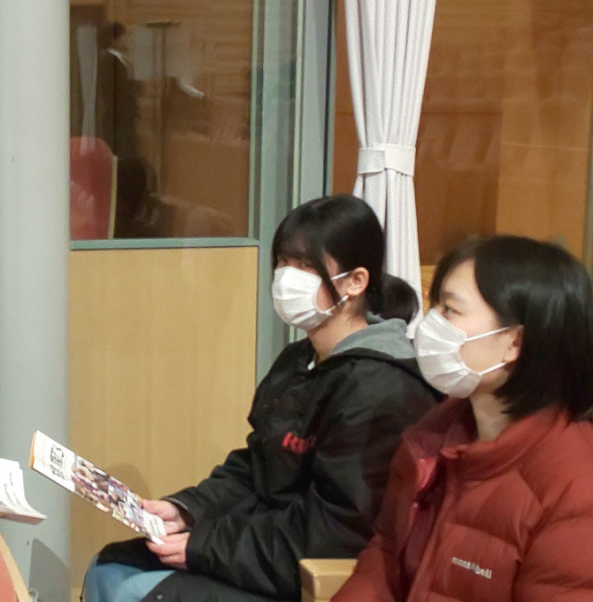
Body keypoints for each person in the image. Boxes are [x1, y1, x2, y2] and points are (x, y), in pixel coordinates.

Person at [84, 194, 439, 602]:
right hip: (260, 548)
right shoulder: (299, 360)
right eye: (284, 262)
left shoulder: (381, 388)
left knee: (132, 592)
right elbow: (257, 465)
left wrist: (206, 546)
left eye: (306, 266)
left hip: (310, 574)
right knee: (109, 567)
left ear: (355, 282)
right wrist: (187, 509)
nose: (287, 278)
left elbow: (334, 533)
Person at [333, 235, 593, 602]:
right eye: (434, 306)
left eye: (450, 310)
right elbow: (386, 556)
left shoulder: (574, 488)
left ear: (514, 342)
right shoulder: (431, 436)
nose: (430, 325)